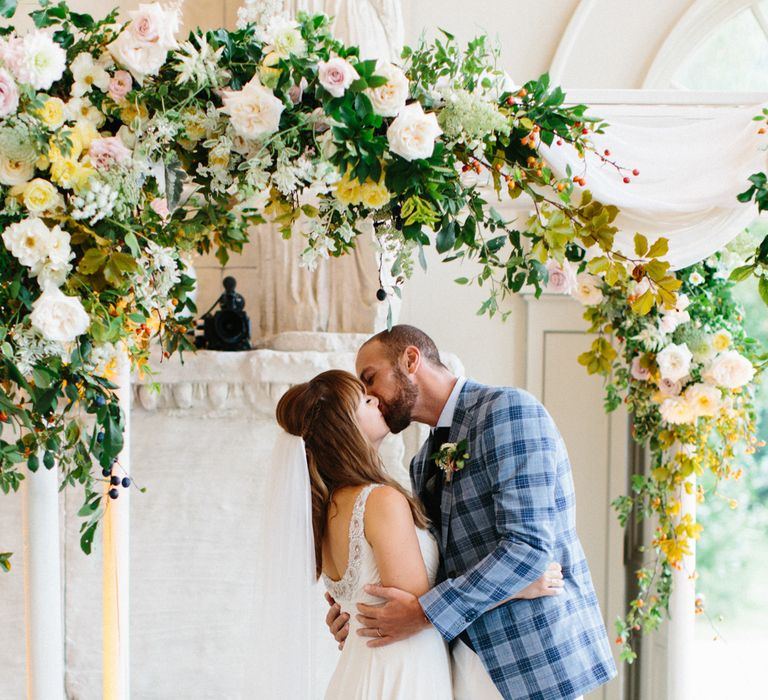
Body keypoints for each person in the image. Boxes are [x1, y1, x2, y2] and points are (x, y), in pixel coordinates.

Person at [325, 325, 617, 700]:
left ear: (410, 360)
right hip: (459, 662)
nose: (370, 397)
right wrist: (360, 612)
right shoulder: (421, 463)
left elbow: (528, 549)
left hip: (529, 660)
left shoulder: (509, 412)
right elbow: (437, 565)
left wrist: (423, 614)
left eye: (370, 379)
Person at [274, 369, 562, 699]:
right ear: (343, 429)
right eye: (362, 400)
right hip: (400, 675)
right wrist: (515, 587)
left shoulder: (326, 510)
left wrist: (349, 619)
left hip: (364, 669)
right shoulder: (380, 500)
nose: (373, 398)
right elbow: (420, 608)